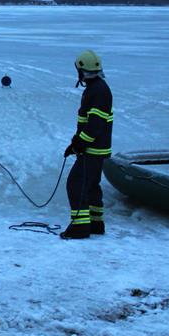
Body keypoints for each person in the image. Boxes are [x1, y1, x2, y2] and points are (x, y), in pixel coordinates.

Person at [61, 50, 113, 239]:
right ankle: (96, 224)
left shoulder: (97, 91)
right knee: (91, 185)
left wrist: (80, 144)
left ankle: (80, 228)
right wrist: (76, 143)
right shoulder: (97, 88)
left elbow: (95, 125)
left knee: (75, 184)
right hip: (96, 148)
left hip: (93, 149)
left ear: (82, 70)